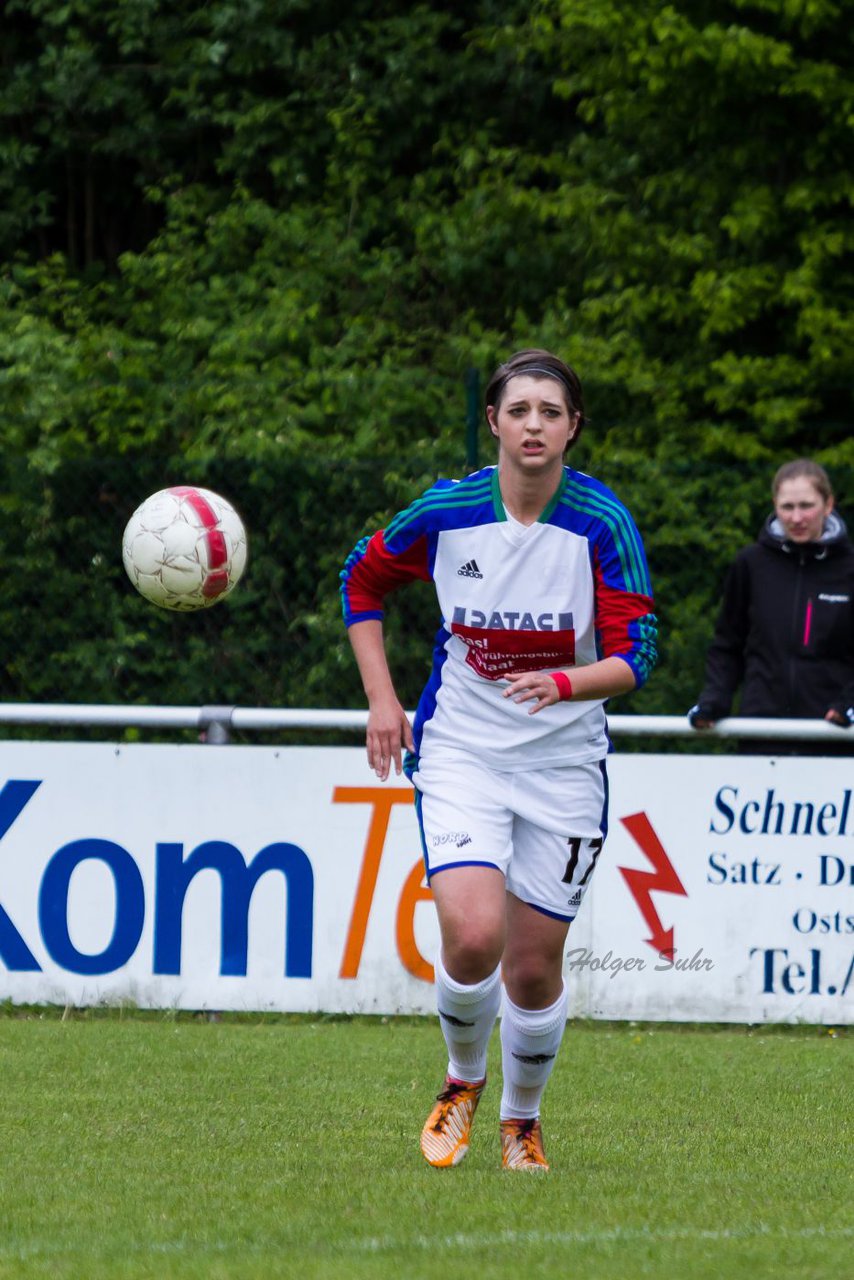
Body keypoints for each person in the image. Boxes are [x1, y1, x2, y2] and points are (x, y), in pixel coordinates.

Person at [340, 349, 657, 1172]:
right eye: (520, 410)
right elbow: (362, 583)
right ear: (494, 422)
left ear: (573, 428)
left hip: (563, 766)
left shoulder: (600, 524)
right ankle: (461, 1082)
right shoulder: (448, 513)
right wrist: (383, 701)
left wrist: (564, 681)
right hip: (464, 752)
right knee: (474, 936)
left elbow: (638, 654)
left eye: (552, 413)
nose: (535, 426)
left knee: (530, 965)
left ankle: (522, 1121)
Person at [689, 458, 854, 753]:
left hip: (834, 733)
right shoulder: (751, 564)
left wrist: (849, 704)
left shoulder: (849, 568)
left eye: (807, 505)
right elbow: (728, 644)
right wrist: (715, 698)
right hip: (761, 731)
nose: (797, 517)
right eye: (787, 507)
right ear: (774, 505)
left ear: (828, 505)